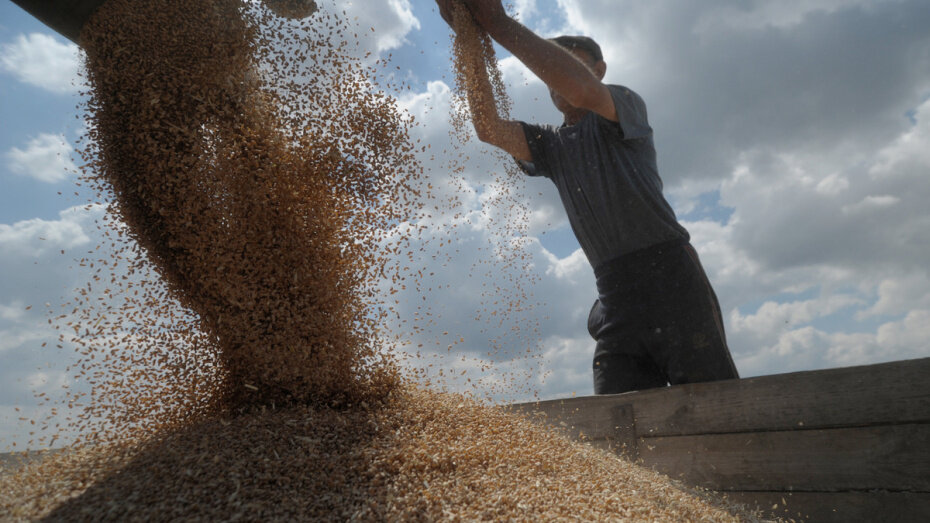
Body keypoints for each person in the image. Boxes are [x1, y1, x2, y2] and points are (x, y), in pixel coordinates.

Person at [436, 0, 739, 394]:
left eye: (567, 64)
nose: (556, 82)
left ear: (598, 70)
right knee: (620, 426)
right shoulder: (551, 146)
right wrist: (468, 36)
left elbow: (580, 91)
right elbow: (489, 128)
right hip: (614, 297)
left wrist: (495, 21)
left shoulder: (623, 106)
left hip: (673, 283)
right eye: (550, 75)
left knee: (717, 408)